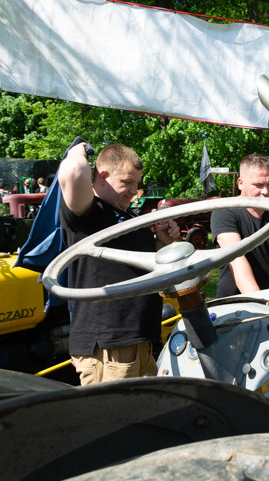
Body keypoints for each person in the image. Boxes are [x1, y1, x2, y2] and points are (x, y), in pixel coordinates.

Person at [59, 143, 180, 385]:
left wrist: (161, 243)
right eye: (127, 182)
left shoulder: (126, 216)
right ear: (103, 176)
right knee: (113, 419)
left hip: (139, 339)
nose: (135, 191)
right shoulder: (88, 213)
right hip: (109, 344)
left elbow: (141, 267)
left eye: (137, 183)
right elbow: (73, 172)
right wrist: (78, 150)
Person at [210, 153, 269, 297]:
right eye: (258, 185)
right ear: (240, 183)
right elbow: (236, 258)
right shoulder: (225, 211)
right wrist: (260, 299)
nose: (266, 192)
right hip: (238, 302)